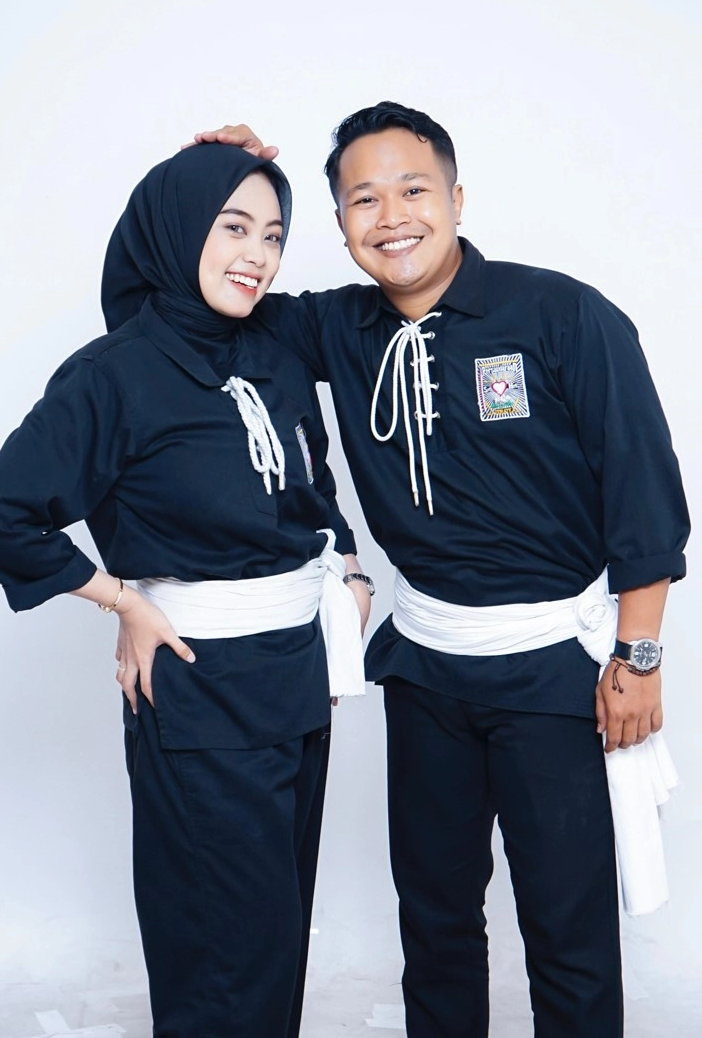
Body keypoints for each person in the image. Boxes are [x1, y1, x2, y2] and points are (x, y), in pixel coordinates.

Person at [193, 103, 690, 1038]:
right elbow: (176, 308)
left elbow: (643, 493)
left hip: (556, 674)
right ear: (340, 225)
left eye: (413, 190)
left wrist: (639, 656)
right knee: (435, 924)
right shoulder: (335, 329)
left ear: (457, 198)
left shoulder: (562, 314)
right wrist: (210, 185)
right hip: (425, 668)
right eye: (364, 200)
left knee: (569, 933)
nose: (392, 217)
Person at [0, 142, 372, 1038]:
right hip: (198, 683)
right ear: (177, 230)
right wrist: (123, 601)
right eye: (232, 227)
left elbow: (311, 482)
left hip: (299, 675)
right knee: (222, 952)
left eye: (273, 235)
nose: (257, 255)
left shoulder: (274, 348)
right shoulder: (112, 374)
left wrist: (348, 566)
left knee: (278, 934)